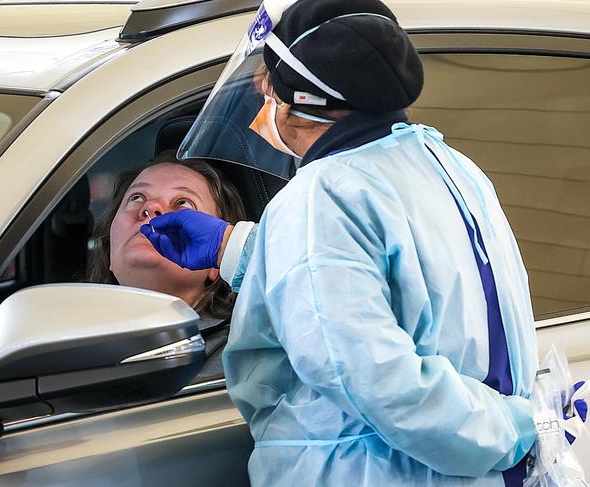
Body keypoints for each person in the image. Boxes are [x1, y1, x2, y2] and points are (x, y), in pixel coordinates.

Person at [140, 1, 587, 485]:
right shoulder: (447, 164)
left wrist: (519, 428)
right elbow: (390, 288)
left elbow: (378, 380)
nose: (258, 92)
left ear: (305, 102)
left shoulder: (321, 197)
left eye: (268, 82)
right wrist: (235, 246)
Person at [88, 149, 246, 381]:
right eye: (137, 197)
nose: (150, 208)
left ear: (217, 259)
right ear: (111, 248)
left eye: (183, 203)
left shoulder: (246, 353)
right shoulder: (71, 338)